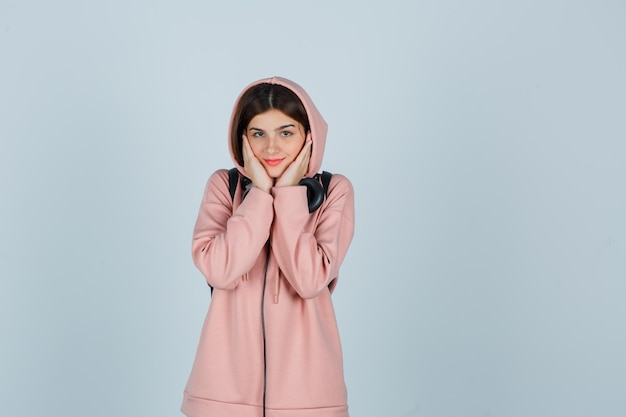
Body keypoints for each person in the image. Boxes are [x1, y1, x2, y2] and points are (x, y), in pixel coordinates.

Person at [181, 77, 355, 417]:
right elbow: (220, 271)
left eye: (286, 132)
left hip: (309, 397)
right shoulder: (224, 186)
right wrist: (259, 196)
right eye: (258, 133)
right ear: (242, 138)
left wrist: (289, 197)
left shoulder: (335, 191)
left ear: (309, 137)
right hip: (221, 394)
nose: (271, 148)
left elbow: (309, 281)